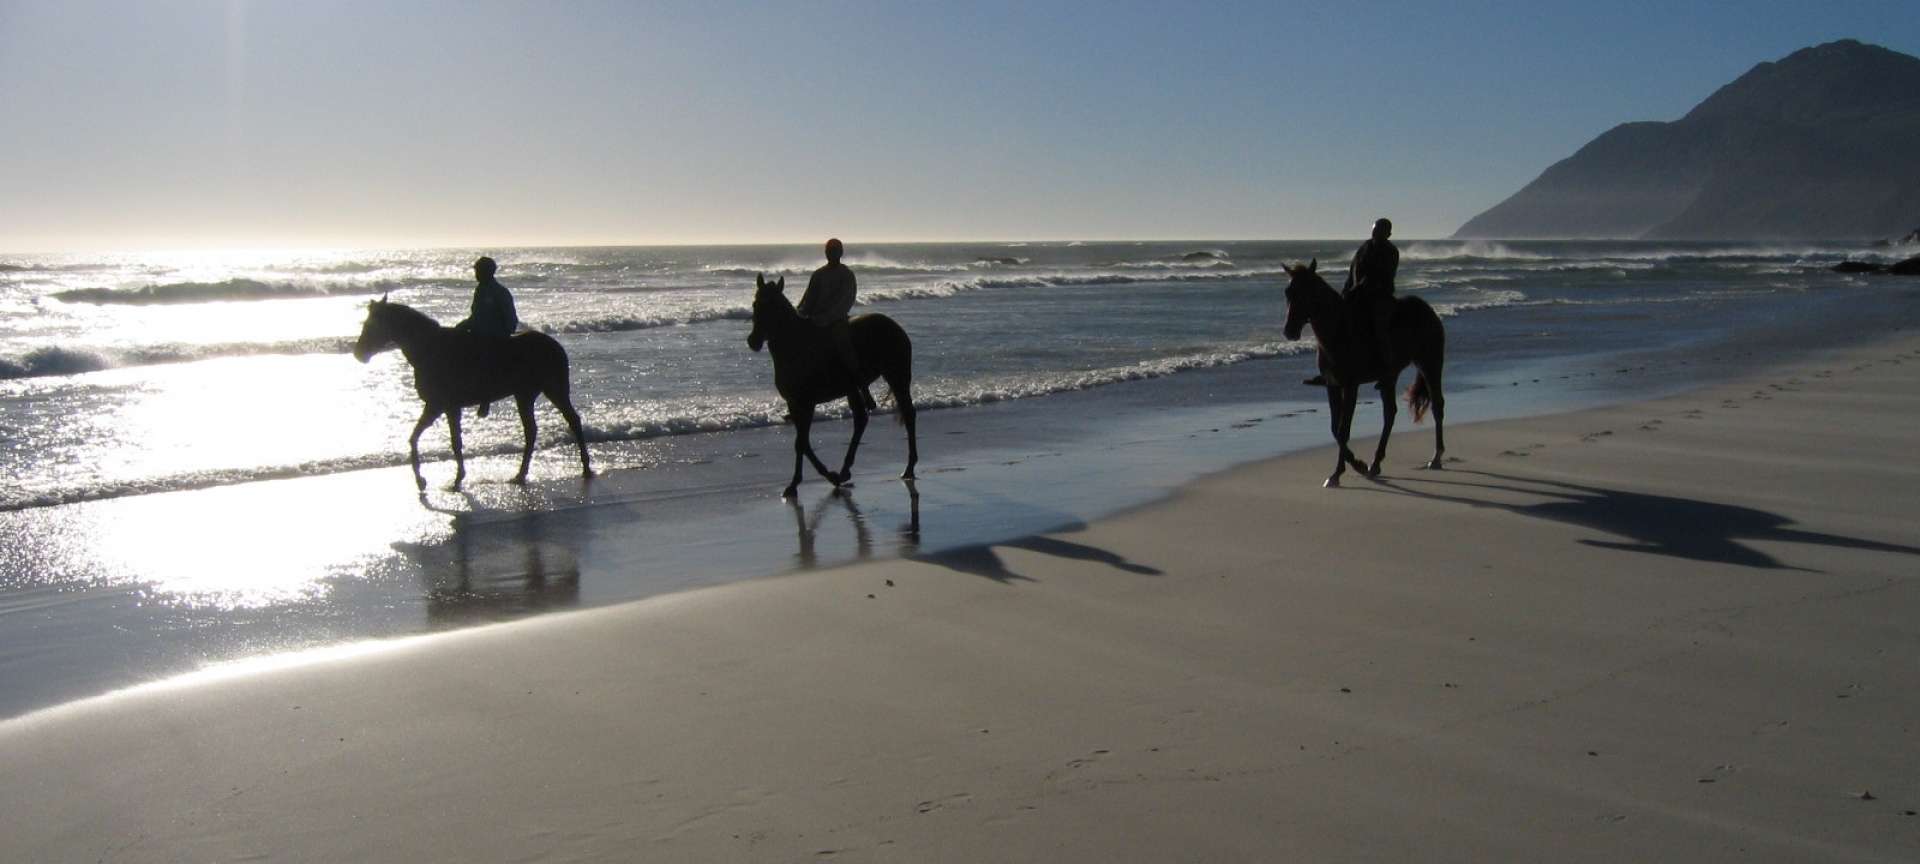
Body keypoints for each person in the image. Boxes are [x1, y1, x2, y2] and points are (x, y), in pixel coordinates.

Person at [1305, 218, 1399, 386]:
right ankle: (1328, 369)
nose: (1376, 233)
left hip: (1379, 297)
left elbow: (1383, 275)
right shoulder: (1363, 248)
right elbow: (1352, 272)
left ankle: (1386, 369)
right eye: (1374, 230)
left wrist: (1363, 287)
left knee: (1379, 325)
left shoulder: (1390, 251)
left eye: (1380, 231)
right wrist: (1345, 292)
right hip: (1356, 295)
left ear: (1388, 234)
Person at [796, 238, 876, 410]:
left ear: (840, 253)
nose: (830, 254)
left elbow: (846, 301)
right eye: (828, 251)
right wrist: (799, 315)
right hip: (815, 319)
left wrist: (826, 318)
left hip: (837, 320)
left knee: (844, 347)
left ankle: (864, 390)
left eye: (833, 251)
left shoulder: (846, 275)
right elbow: (807, 300)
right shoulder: (818, 274)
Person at [455, 256, 519, 416]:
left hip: (495, 336)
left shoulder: (500, 292)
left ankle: (485, 399)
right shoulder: (480, 290)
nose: (475, 274)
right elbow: (476, 316)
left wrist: (501, 333)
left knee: (484, 357)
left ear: (486, 272)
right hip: (478, 333)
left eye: (477, 270)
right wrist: (461, 327)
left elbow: (511, 319)